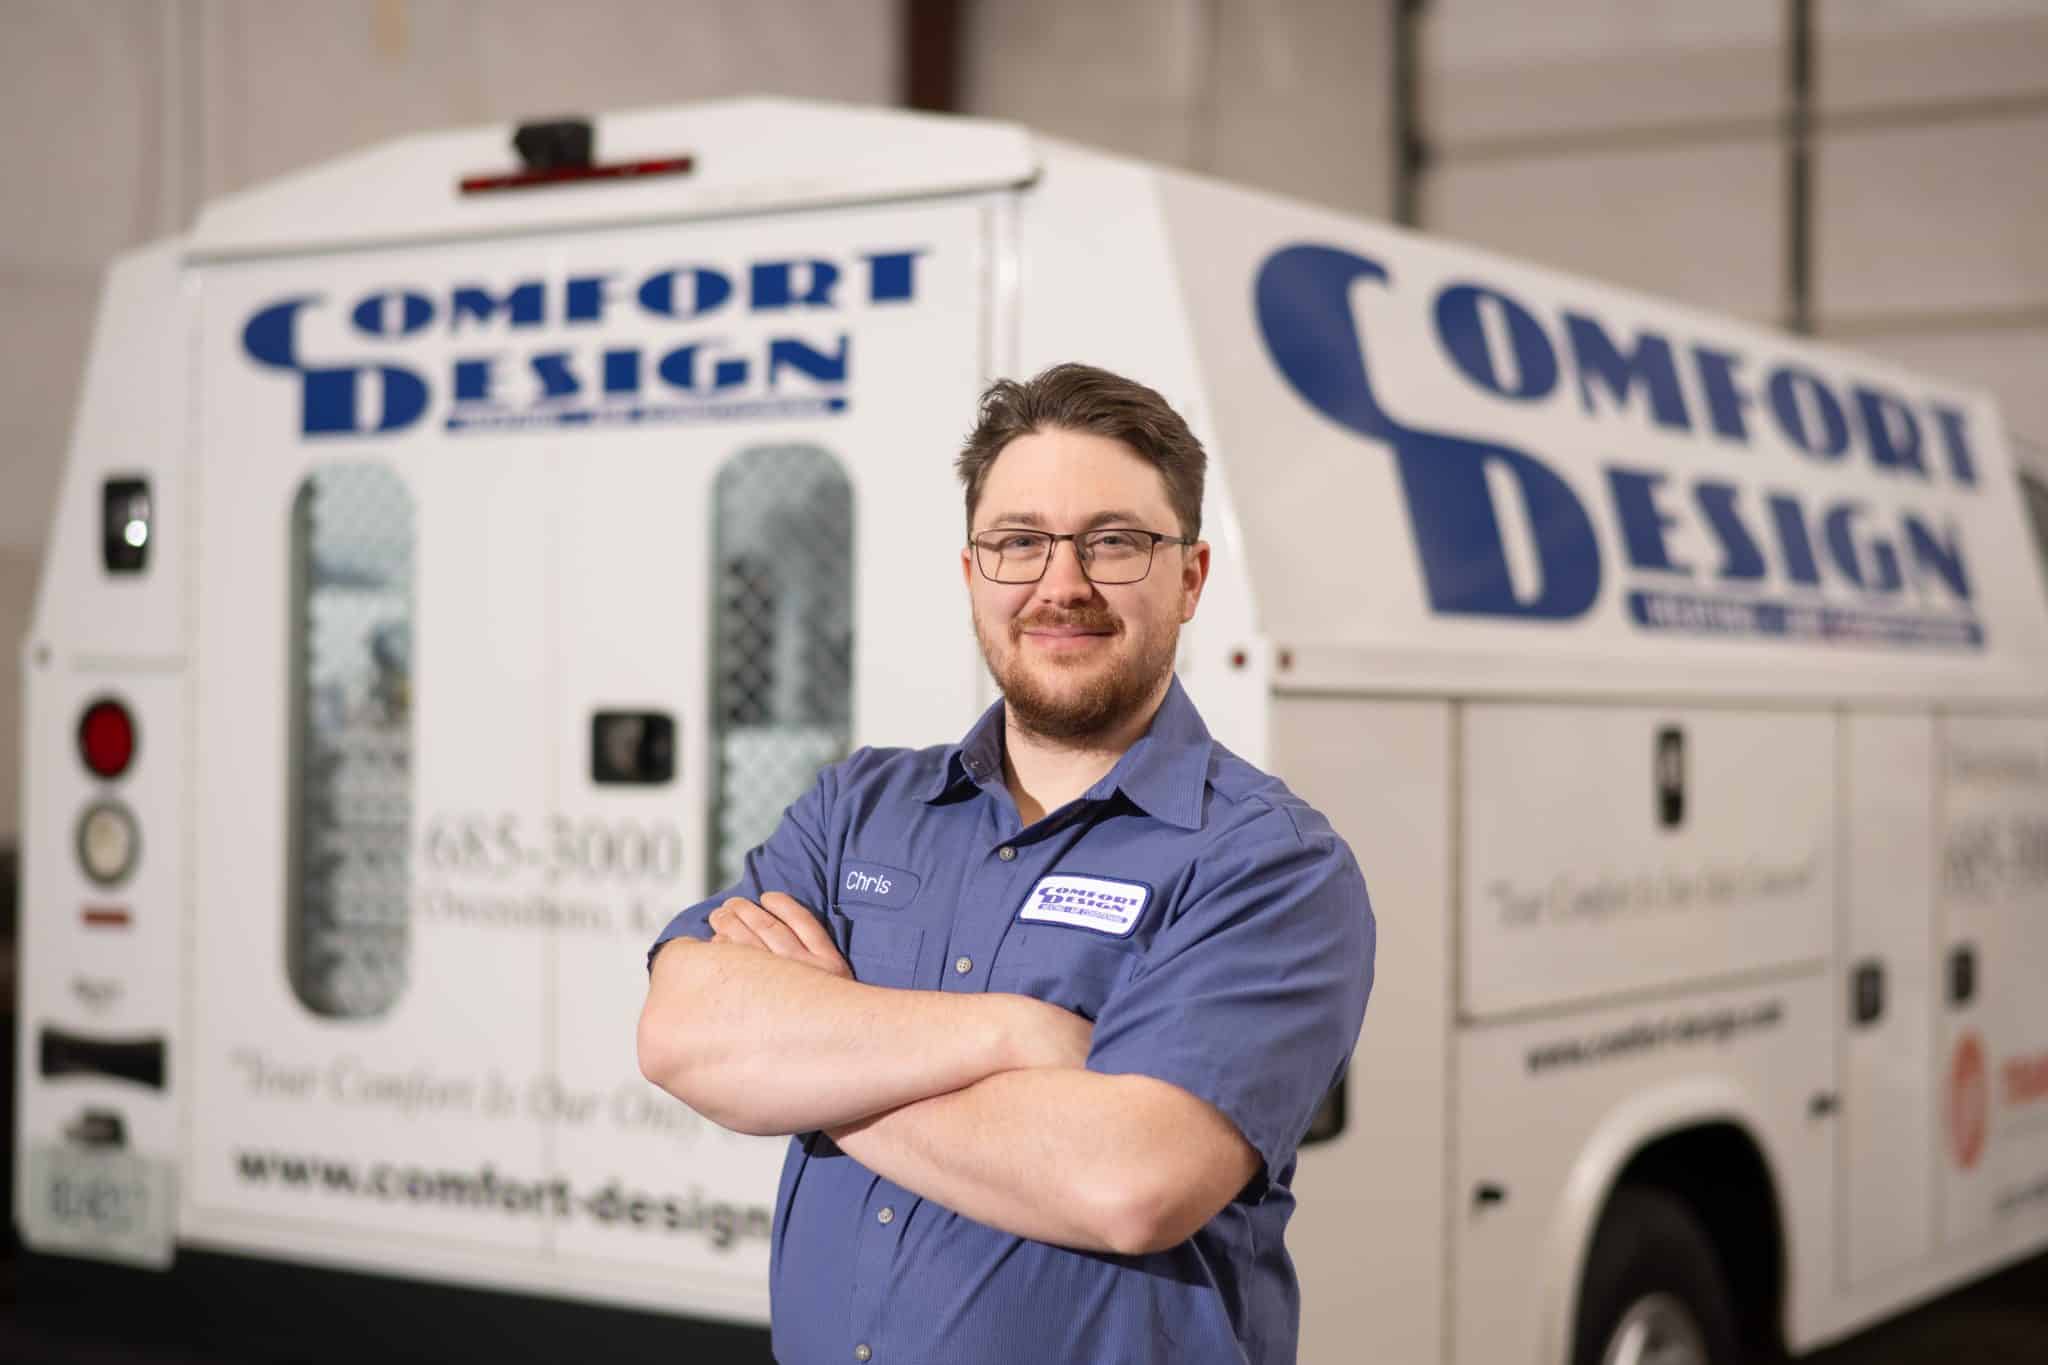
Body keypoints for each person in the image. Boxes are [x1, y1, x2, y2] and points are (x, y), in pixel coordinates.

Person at [639, 362, 1374, 1364]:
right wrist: (1011, 1033)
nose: (1059, 584)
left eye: (1113, 543)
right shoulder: (857, 810)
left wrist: (812, 1064)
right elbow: (683, 1035)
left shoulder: (1268, 865)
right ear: (972, 572)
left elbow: (1128, 1181)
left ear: (1190, 577)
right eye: (1017, 542)